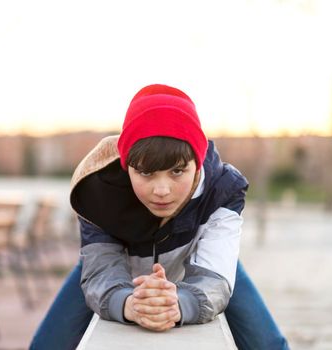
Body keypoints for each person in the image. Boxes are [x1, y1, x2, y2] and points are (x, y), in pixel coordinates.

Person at [30, 84, 289, 350]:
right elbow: (102, 268)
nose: (161, 190)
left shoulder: (222, 189)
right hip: (119, 268)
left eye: (177, 171)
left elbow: (216, 278)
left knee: (269, 344)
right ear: (127, 166)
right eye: (146, 173)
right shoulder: (99, 193)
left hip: (202, 266)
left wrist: (176, 305)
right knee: (46, 344)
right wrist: (129, 303)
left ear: (197, 163)